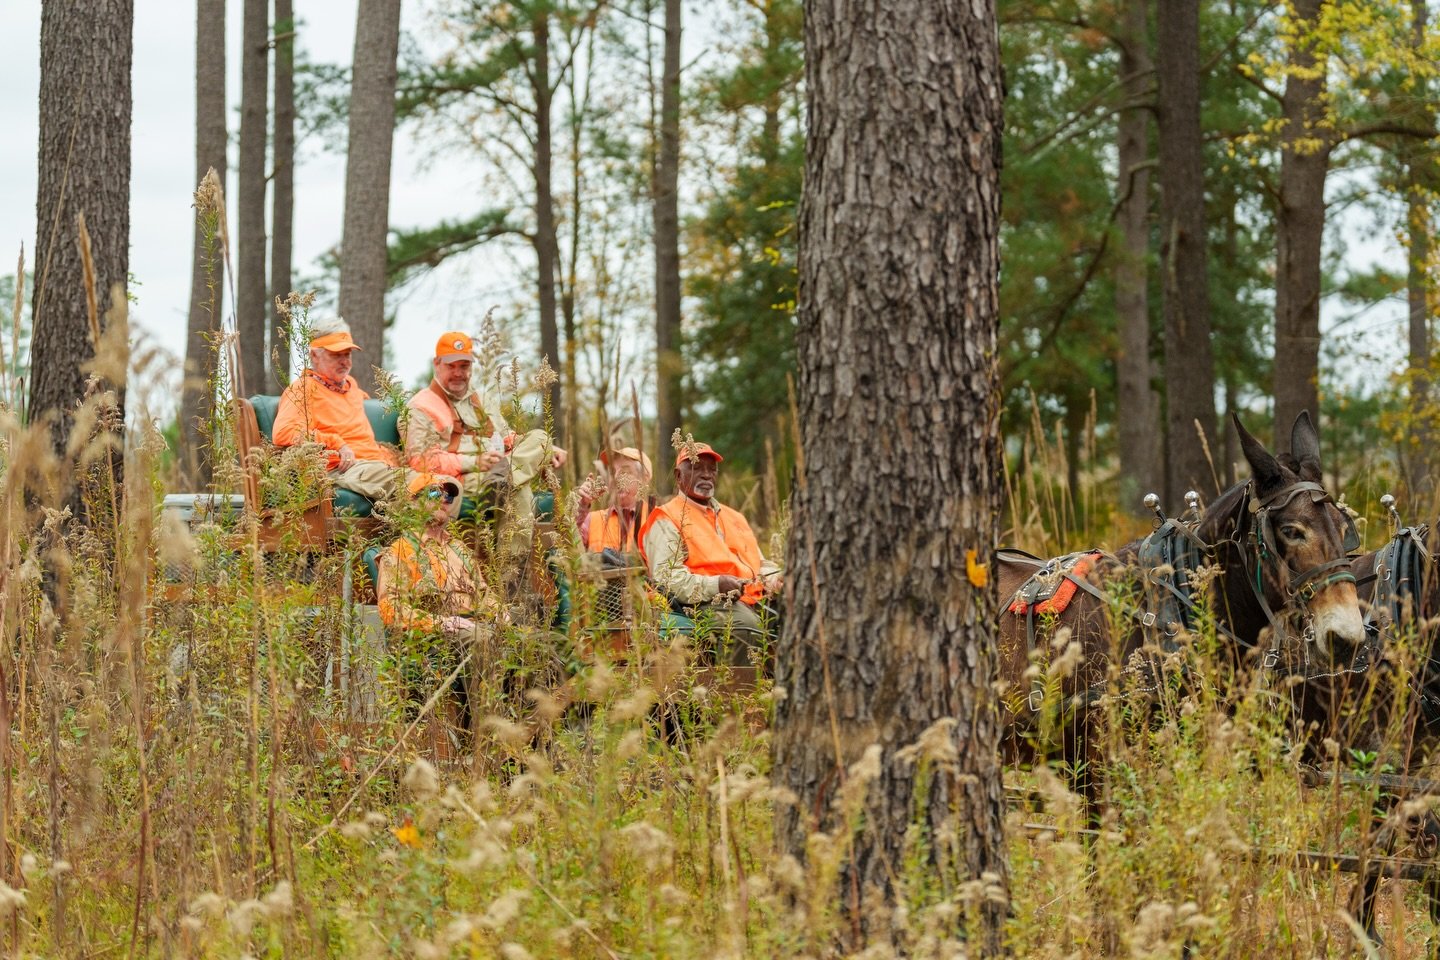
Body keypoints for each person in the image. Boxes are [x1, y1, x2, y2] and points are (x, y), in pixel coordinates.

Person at [406, 332, 567, 558]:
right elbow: (421, 460)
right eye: (451, 366)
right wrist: (475, 462)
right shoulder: (421, 406)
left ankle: (502, 481)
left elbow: (506, 437)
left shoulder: (480, 399)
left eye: (464, 366)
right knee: (519, 490)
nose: (458, 373)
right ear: (437, 364)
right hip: (467, 476)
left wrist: (547, 448)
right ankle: (513, 577)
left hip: (498, 468)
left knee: (542, 437)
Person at [638, 442, 783, 660]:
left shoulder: (735, 517)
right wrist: (716, 585)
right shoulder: (665, 519)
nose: (706, 475)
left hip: (752, 596)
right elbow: (666, 579)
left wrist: (777, 578)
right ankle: (737, 691)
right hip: (702, 602)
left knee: (801, 609)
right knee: (745, 627)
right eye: (697, 468)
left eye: (712, 469)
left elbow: (758, 563)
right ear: (678, 476)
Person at [272, 317, 399, 502]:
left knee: (444, 488)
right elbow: (284, 432)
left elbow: (344, 409)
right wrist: (336, 443)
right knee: (423, 487)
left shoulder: (351, 387)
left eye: (347, 354)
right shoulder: (303, 389)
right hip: (342, 471)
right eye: (336, 355)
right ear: (315, 356)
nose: (344, 362)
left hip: (375, 468)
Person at [576, 446, 654, 555]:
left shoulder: (657, 519)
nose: (616, 477)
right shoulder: (591, 520)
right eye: (612, 472)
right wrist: (582, 505)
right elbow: (566, 550)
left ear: (644, 479)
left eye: (625, 471)